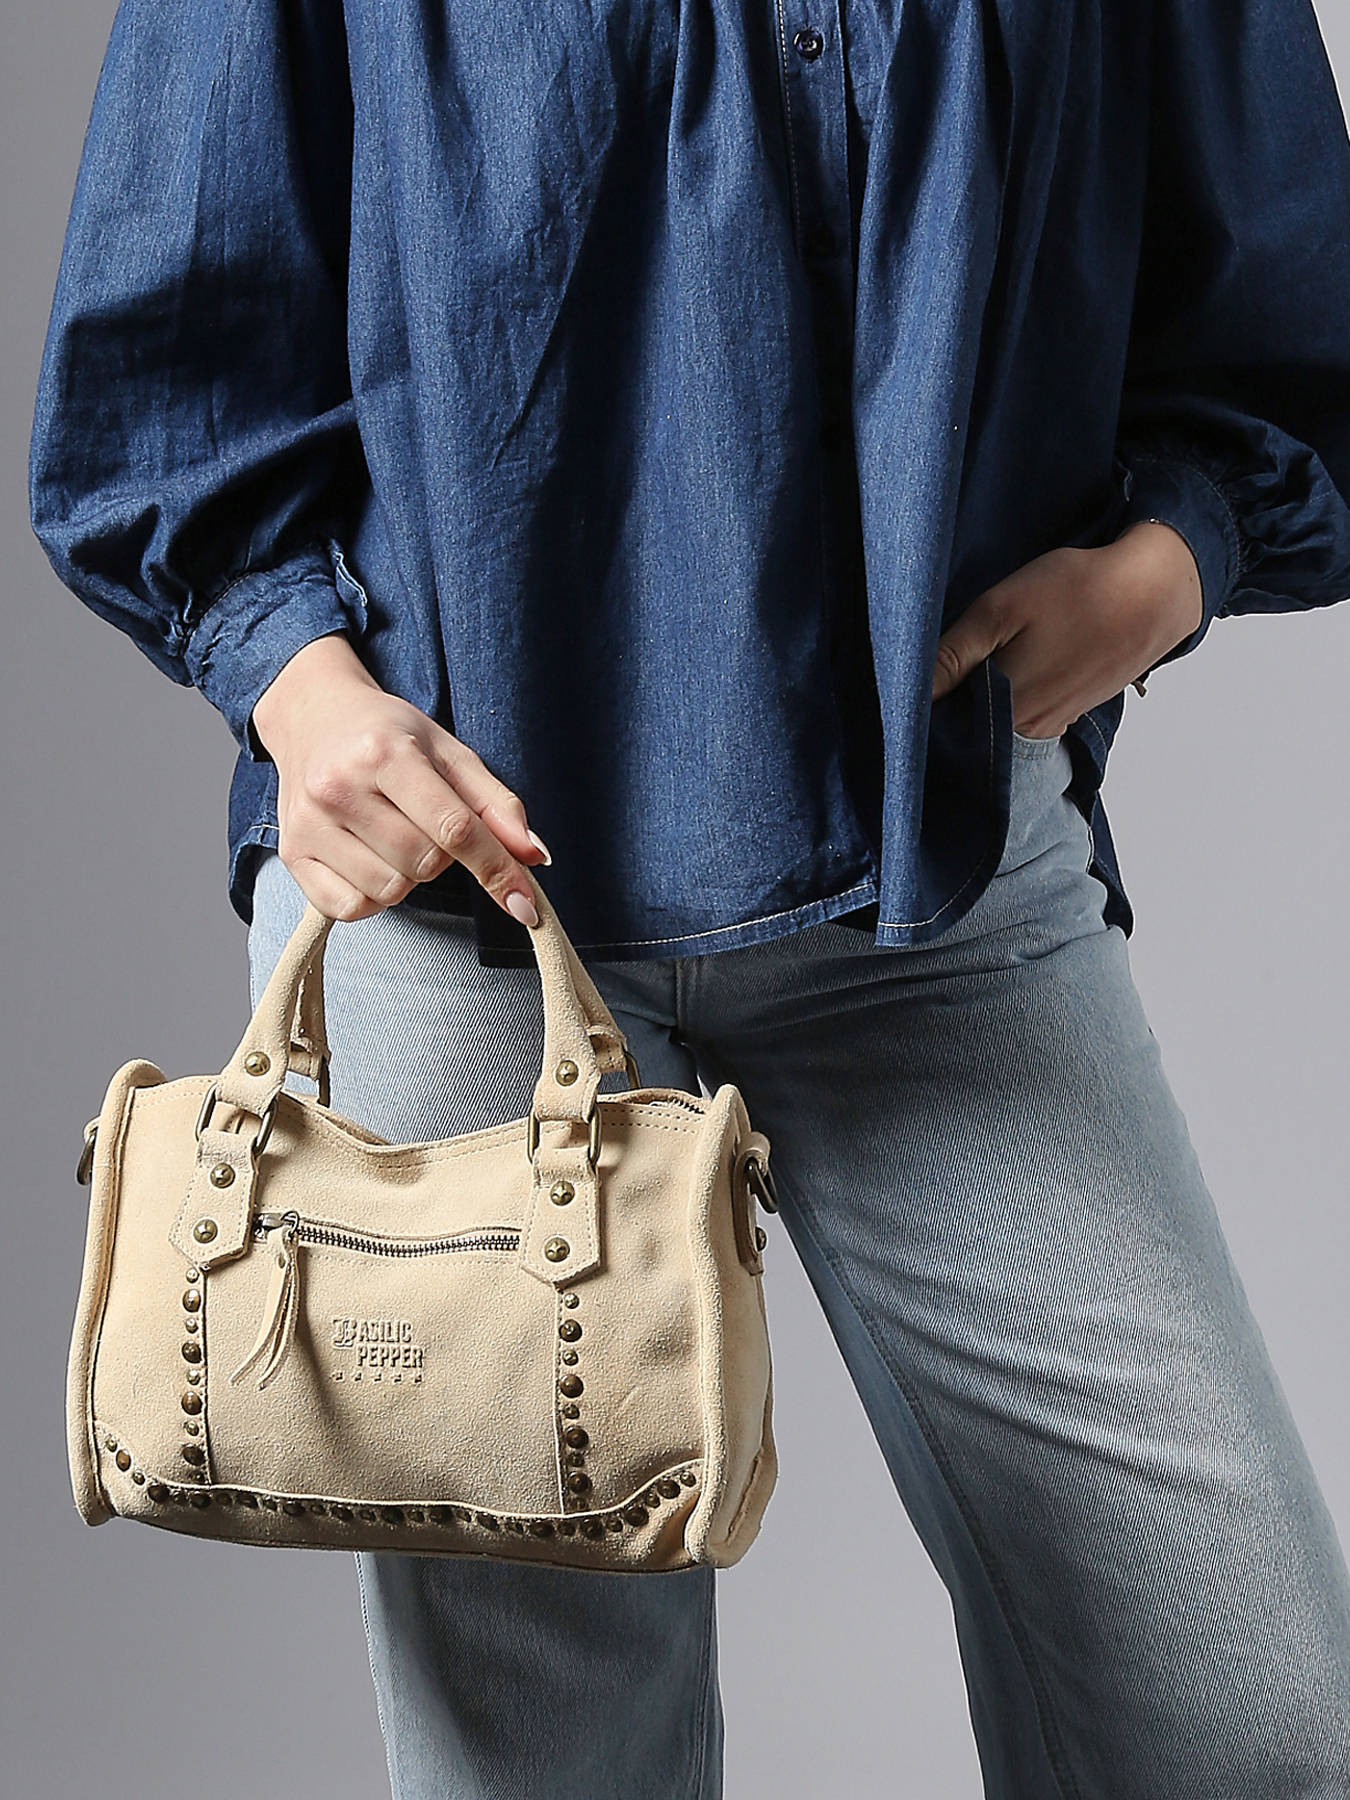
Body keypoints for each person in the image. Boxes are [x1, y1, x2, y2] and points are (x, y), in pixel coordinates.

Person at [28, 0, 1350, 1792]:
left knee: (1244, 1717)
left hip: (938, 869)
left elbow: (1280, 284)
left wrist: (1171, 563)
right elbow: (165, 354)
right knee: (547, 1766)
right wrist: (296, 679)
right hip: (458, 893)